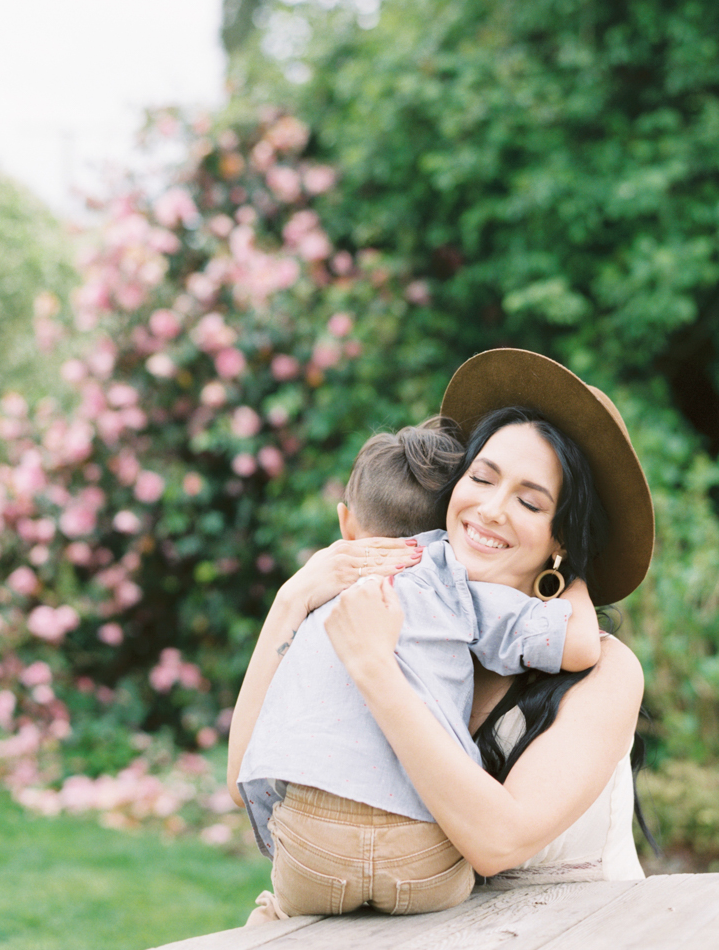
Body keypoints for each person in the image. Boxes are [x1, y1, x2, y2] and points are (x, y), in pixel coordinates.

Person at [228, 349, 655, 898]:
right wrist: (291, 600)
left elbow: (498, 843)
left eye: (528, 502)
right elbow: (246, 773)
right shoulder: (416, 623)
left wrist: (376, 670)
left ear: (562, 540)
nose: (491, 509)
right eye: (481, 477)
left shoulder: (605, 670)